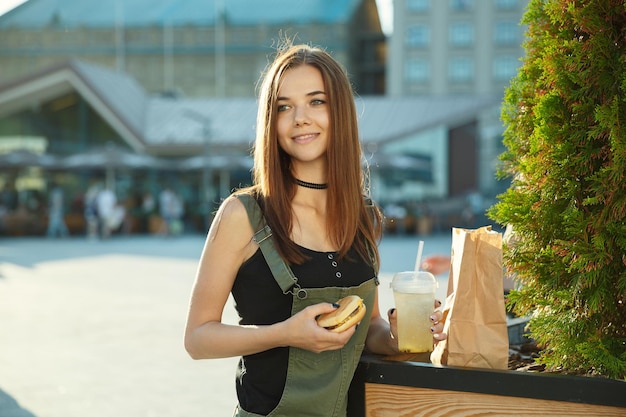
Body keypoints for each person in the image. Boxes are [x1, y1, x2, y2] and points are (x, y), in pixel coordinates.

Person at [184, 43, 446, 417]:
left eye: (316, 102)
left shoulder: (364, 214)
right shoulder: (243, 214)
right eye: (284, 107)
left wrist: (398, 337)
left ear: (340, 111)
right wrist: (286, 333)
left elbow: (368, 328)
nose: (300, 119)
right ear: (270, 123)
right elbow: (197, 338)